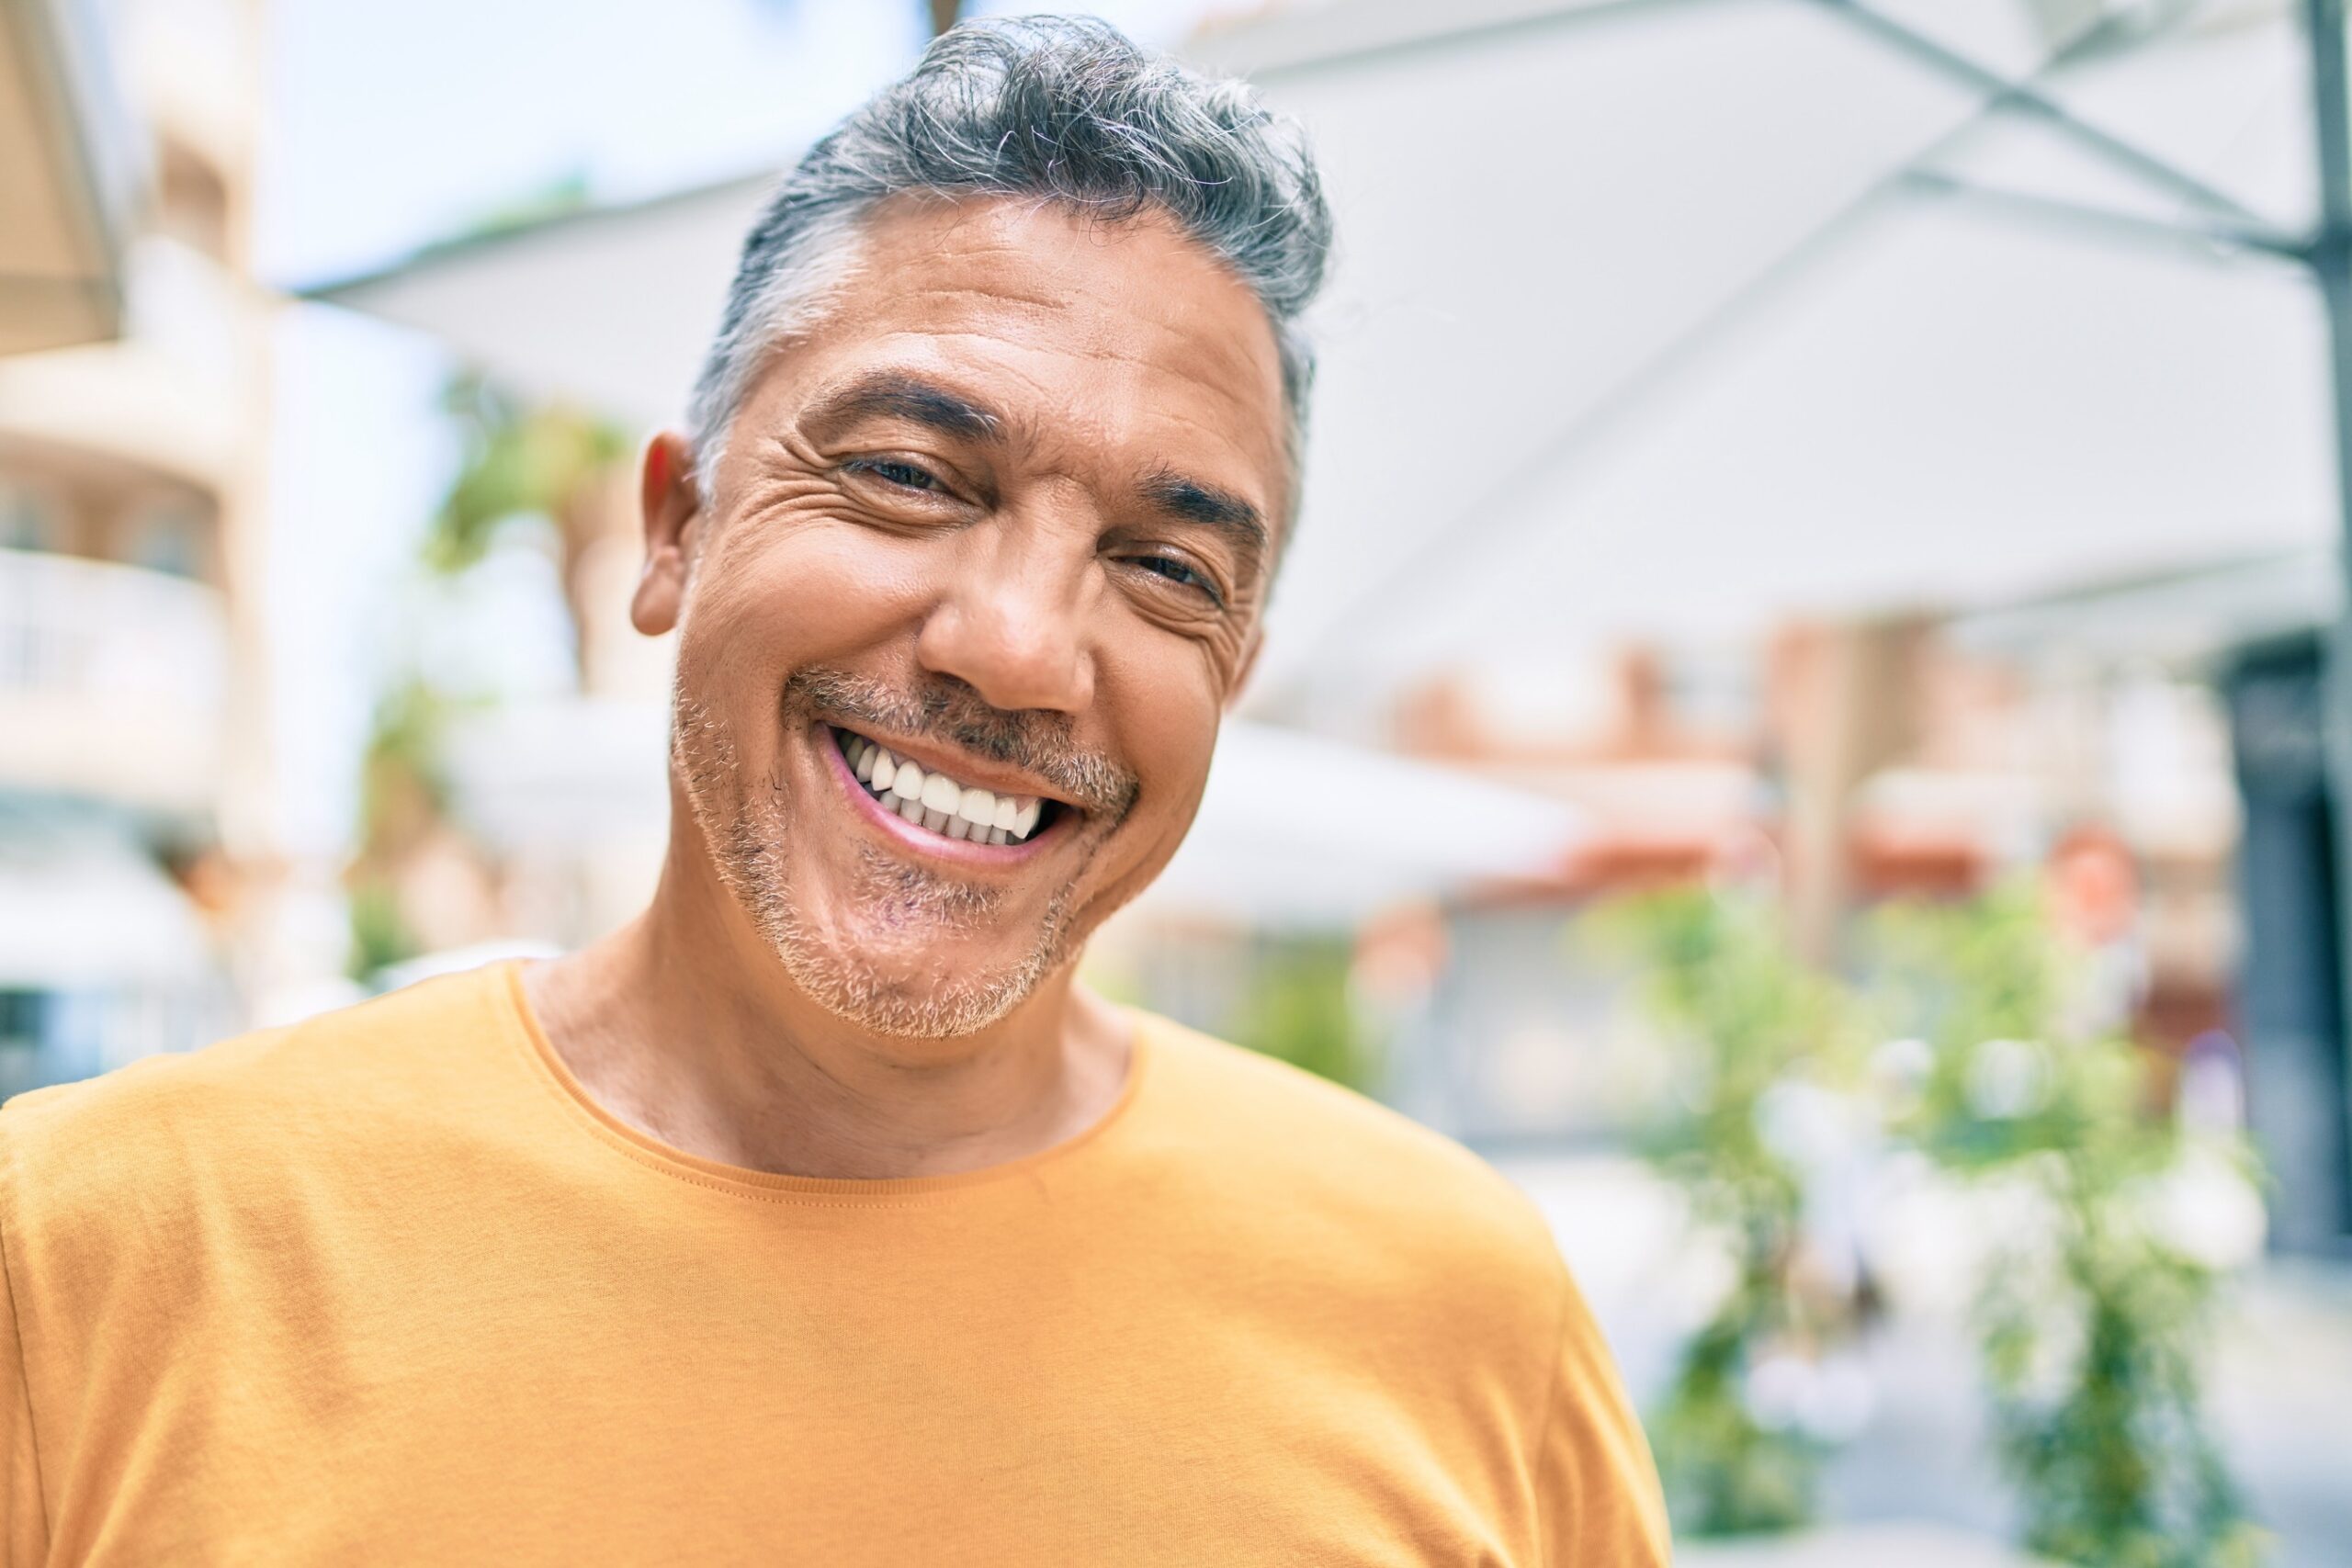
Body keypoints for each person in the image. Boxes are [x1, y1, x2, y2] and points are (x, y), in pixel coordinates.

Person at [0, 18, 1666, 1564]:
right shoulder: (89, 1257)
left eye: (1165, 566)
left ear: (1234, 664)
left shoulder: (1465, 1322)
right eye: (906, 474)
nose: (1021, 648)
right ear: (677, 530)